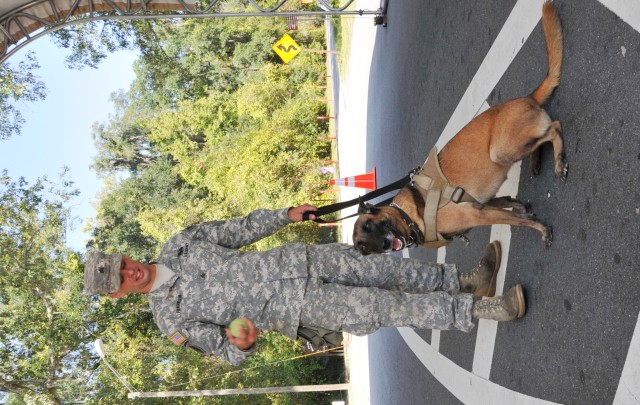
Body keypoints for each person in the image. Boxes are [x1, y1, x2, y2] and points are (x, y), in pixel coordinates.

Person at [84, 204, 525, 365]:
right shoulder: (170, 319)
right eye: (120, 280)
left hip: (302, 258)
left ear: (124, 257)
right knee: (387, 308)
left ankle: (468, 281)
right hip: (297, 307)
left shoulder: (179, 245)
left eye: (121, 264)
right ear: (119, 294)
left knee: (388, 270)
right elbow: (225, 353)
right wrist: (240, 345)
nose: (129, 272)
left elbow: (237, 230)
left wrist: (285, 215)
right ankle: (485, 311)